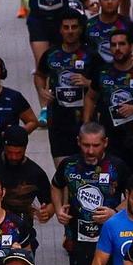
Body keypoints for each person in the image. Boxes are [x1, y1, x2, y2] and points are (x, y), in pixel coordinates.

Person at [52, 124, 126, 265]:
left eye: (95, 145)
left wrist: (115, 212)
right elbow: (56, 185)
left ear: (105, 143)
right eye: (86, 145)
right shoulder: (69, 165)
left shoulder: (116, 166)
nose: (90, 151)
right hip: (79, 240)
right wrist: (58, 209)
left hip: (108, 243)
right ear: (78, 142)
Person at [0, 126, 53, 238]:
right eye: (9, 152)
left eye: (18, 153)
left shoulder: (36, 173)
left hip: (22, 232)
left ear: (25, 148)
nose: (13, 157)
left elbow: (50, 203)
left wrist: (46, 213)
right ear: (4, 147)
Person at [38, 11, 97, 165]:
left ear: (81, 29)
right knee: (62, 169)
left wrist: (88, 82)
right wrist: (41, 90)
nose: (70, 31)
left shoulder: (91, 55)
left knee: (87, 167)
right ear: (60, 29)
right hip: (58, 121)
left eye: (74, 27)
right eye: (66, 27)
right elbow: (39, 75)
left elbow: (104, 82)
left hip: (85, 121)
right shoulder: (51, 54)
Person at [89, 28, 133, 176]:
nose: (117, 48)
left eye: (122, 44)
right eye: (113, 45)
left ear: (131, 46)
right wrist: (87, 126)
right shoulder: (102, 72)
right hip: (109, 141)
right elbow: (90, 97)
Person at [86, 0, 133, 68]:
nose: (109, 2)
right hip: (94, 73)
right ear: (99, 2)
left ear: (119, 1)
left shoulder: (129, 26)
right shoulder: (88, 26)